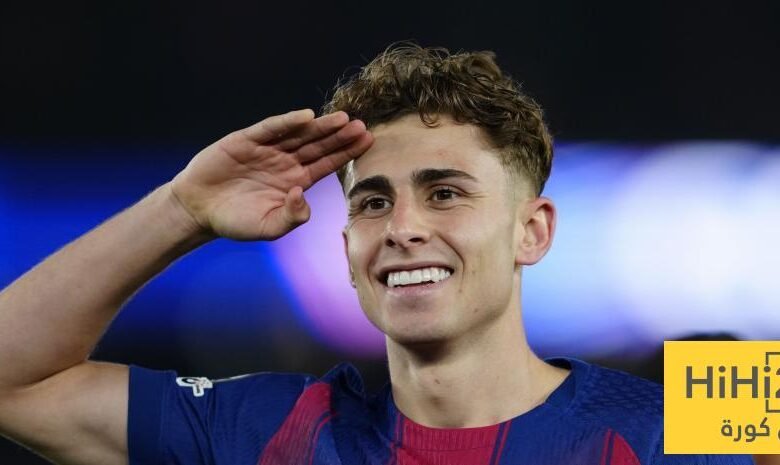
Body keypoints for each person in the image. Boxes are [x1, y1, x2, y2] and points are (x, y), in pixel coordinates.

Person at [0, 44, 752, 465]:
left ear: (534, 230)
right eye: (372, 201)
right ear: (347, 248)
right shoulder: (267, 430)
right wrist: (180, 210)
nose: (403, 226)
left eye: (445, 192)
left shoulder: (692, 413)